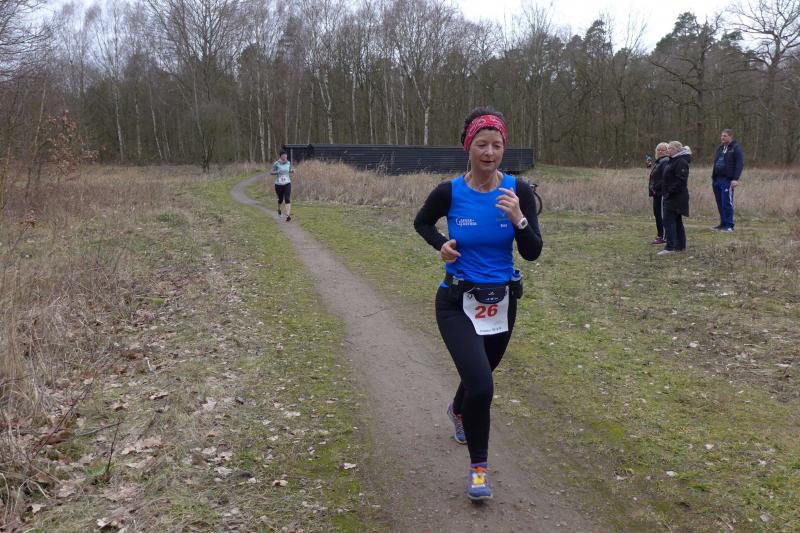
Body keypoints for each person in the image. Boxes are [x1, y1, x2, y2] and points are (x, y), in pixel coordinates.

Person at [413, 107, 543, 501]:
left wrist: (520, 219)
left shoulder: (518, 191)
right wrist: (442, 245)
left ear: (504, 148)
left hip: (501, 302)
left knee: (480, 373)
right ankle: (479, 469)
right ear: (468, 147)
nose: (489, 152)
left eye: (497, 145)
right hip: (456, 301)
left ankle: (457, 409)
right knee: (483, 387)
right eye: (482, 144)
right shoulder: (449, 192)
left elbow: (533, 251)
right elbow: (421, 222)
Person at [658, 140, 692, 256]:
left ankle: (669, 247)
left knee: (669, 221)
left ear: (677, 150)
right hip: (671, 196)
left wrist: (669, 192)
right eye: (668, 148)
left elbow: (681, 181)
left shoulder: (681, 162)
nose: (668, 150)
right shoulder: (673, 160)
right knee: (676, 221)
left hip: (676, 197)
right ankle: (680, 246)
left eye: (671, 148)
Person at [711, 129, 744, 232]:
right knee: (720, 202)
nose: (722, 138)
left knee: (727, 203)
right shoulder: (720, 148)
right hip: (717, 179)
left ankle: (729, 225)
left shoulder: (736, 148)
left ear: (730, 136)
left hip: (727, 180)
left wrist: (735, 179)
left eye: (725, 136)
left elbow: (739, 164)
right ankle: (723, 224)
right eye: (721, 136)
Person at [647, 142, 670, 244]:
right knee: (657, 214)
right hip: (656, 192)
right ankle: (660, 234)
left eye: (663, 150)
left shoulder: (665, 161)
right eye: (658, 150)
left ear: (667, 151)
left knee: (661, 215)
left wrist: (656, 188)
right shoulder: (659, 161)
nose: (660, 151)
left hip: (661, 193)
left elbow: (665, 178)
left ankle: (664, 236)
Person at [271, 150, 294, 222]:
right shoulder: (276, 163)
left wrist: (292, 171)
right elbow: (271, 172)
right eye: (283, 156)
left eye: (286, 156)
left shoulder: (288, 162)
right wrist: (277, 172)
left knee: (287, 198)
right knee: (280, 199)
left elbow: (289, 170)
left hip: (287, 183)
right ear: (280, 156)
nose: (285, 157)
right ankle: (279, 209)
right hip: (278, 184)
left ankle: (288, 215)